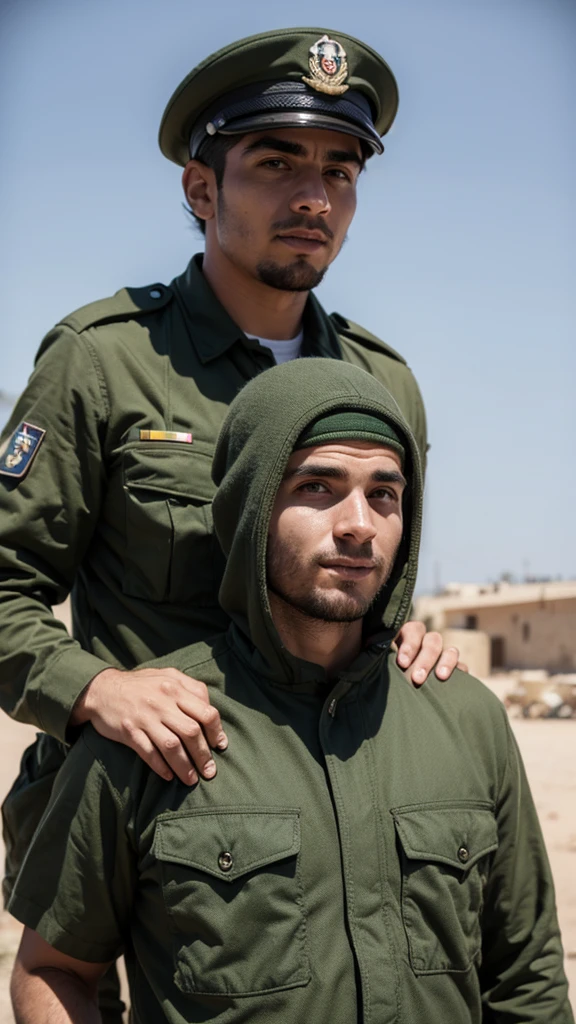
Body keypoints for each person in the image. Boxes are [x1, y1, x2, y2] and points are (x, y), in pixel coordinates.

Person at [1, 27, 462, 1022]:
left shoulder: (381, 385)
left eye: (341, 170)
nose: (314, 196)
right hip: (134, 815)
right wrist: (97, 691)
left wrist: (407, 643)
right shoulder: (103, 362)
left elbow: (371, 605)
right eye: (276, 162)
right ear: (201, 189)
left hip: (322, 831)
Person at [8, 358, 572, 1024]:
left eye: (384, 495)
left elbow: (526, 983)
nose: (358, 524)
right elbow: (52, 969)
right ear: (250, 505)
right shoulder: (153, 730)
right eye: (317, 487)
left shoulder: (466, 718)